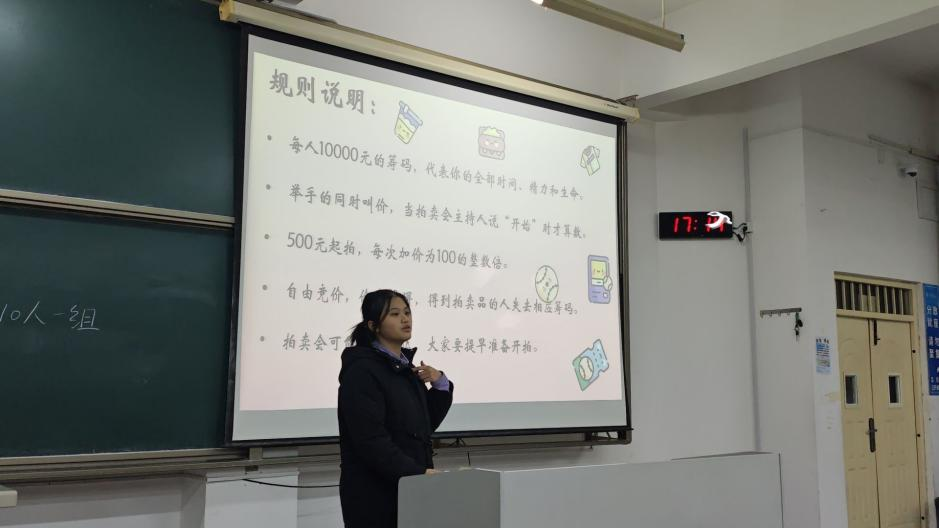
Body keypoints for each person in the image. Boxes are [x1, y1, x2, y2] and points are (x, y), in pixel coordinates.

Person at [337, 289, 453, 528]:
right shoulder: (362, 371)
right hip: (374, 494)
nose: (405, 319)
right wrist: (416, 473)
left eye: (407, 312)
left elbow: (422, 426)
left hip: (410, 484)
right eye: (395, 314)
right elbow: (370, 440)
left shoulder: (405, 368)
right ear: (373, 326)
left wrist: (440, 384)